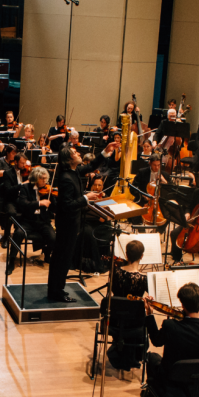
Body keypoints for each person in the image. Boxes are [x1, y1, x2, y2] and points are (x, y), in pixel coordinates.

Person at [47, 147, 102, 303]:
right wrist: (86, 198)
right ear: (68, 159)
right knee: (62, 259)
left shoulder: (74, 171)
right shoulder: (66, 178)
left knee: (63, 258)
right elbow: (66, 205)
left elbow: (91, 166)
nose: (78, 153)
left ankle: (57, 290)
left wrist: (105, 152)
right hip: (67, 225)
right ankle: (56, 291)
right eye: (75, 152)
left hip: (71, 224)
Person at [105, 240, 148, 371]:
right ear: (142, 256)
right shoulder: (143, 279)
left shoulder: (115, 272)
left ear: (126, 255)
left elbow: (112, 292)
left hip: (115, 320)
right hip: (134, 324)